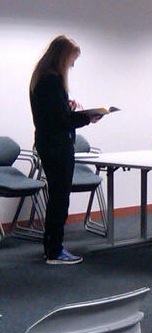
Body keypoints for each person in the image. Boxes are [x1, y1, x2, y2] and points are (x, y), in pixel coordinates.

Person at [30, 35, 103, 265]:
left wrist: (67, 106)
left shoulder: (41, 78)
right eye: (72, 59)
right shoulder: (51, 81)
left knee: (58, 196)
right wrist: (87, 117)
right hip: (56, 145)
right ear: (62, 56)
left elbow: (53, 113)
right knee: (60, 199)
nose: (72, 65)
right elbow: (62, 121)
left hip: (48, 142)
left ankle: (52, 246)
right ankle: (54, 250)